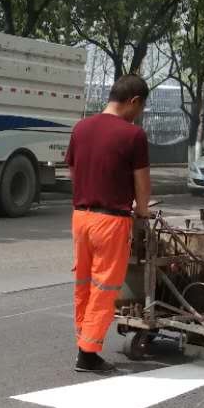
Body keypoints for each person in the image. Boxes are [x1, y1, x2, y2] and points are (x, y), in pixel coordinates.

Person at [65, 74, 153, 375]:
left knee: (84, 283)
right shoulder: (133, 135)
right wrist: (143, 212)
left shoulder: (81, 128)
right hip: (111, 221)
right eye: (140, 108)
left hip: (81, 217)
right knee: (105, 288)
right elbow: (142, 183)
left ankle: (84, 340)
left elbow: (74, 172)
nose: (138, 114)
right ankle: (88, 354)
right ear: (134, 101)